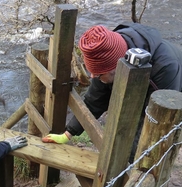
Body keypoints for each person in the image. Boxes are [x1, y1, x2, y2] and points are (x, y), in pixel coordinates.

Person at [42, 23, 182, 163]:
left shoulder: (164, 68)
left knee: (151, 149)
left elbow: (154, 122)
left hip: (172, 97)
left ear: (116, 68)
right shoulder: (109, 54)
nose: (92, 77)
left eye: (98, 75)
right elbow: (94, 101)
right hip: (144, 87)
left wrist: (131, 160)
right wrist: (67, 134)